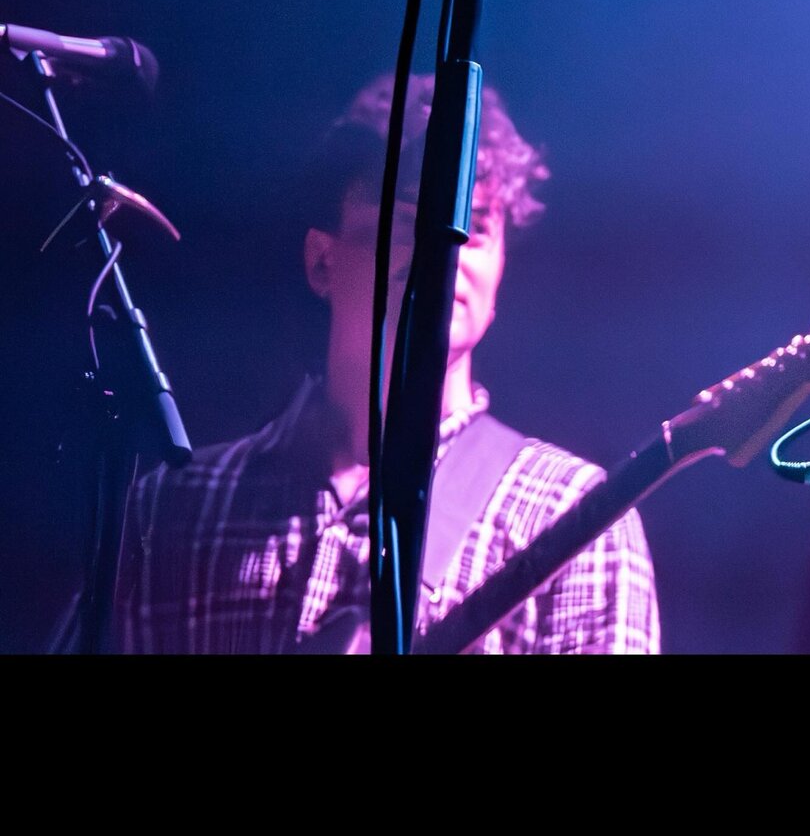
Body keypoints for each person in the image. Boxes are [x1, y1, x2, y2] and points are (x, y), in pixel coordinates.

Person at [117, 72, 659, 654]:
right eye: (410, 222)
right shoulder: (173, 510)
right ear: (323, 263)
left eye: (473, 229)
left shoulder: (575, 519)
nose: (444, 256)